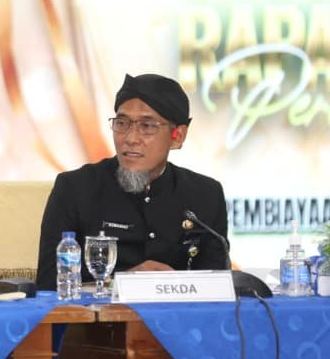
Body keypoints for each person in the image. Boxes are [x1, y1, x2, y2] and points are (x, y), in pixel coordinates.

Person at [34, 73, 228, 289]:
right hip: (98, 321)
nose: (130, 138)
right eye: (122, 123)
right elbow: (49, 285)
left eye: (147, 126)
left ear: (177, 136)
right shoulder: (75, 188)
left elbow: (218, 286)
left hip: (181, 320)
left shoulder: (205, 194)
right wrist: (124, 283)